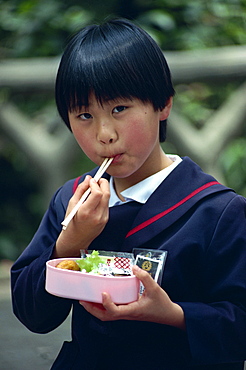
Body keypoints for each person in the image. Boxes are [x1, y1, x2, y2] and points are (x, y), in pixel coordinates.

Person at [11, 18, 246, 369]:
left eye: (119, 109)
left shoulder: (217, 212)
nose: (104, 133)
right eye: (84, 115)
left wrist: (174, 314)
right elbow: (33, 314)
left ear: (163, 104)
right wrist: (69, 244)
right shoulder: (71, 201)